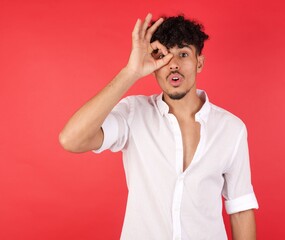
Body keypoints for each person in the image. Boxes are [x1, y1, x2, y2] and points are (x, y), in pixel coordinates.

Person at [59, 13, 259, 240]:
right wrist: (131, 72)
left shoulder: (231, 129)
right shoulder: (134, 113)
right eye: (163, 56)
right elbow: (71, 139)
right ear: (153, 65)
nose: (173, 64)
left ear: (199, 63)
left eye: (183, 54)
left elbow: (241, 208)